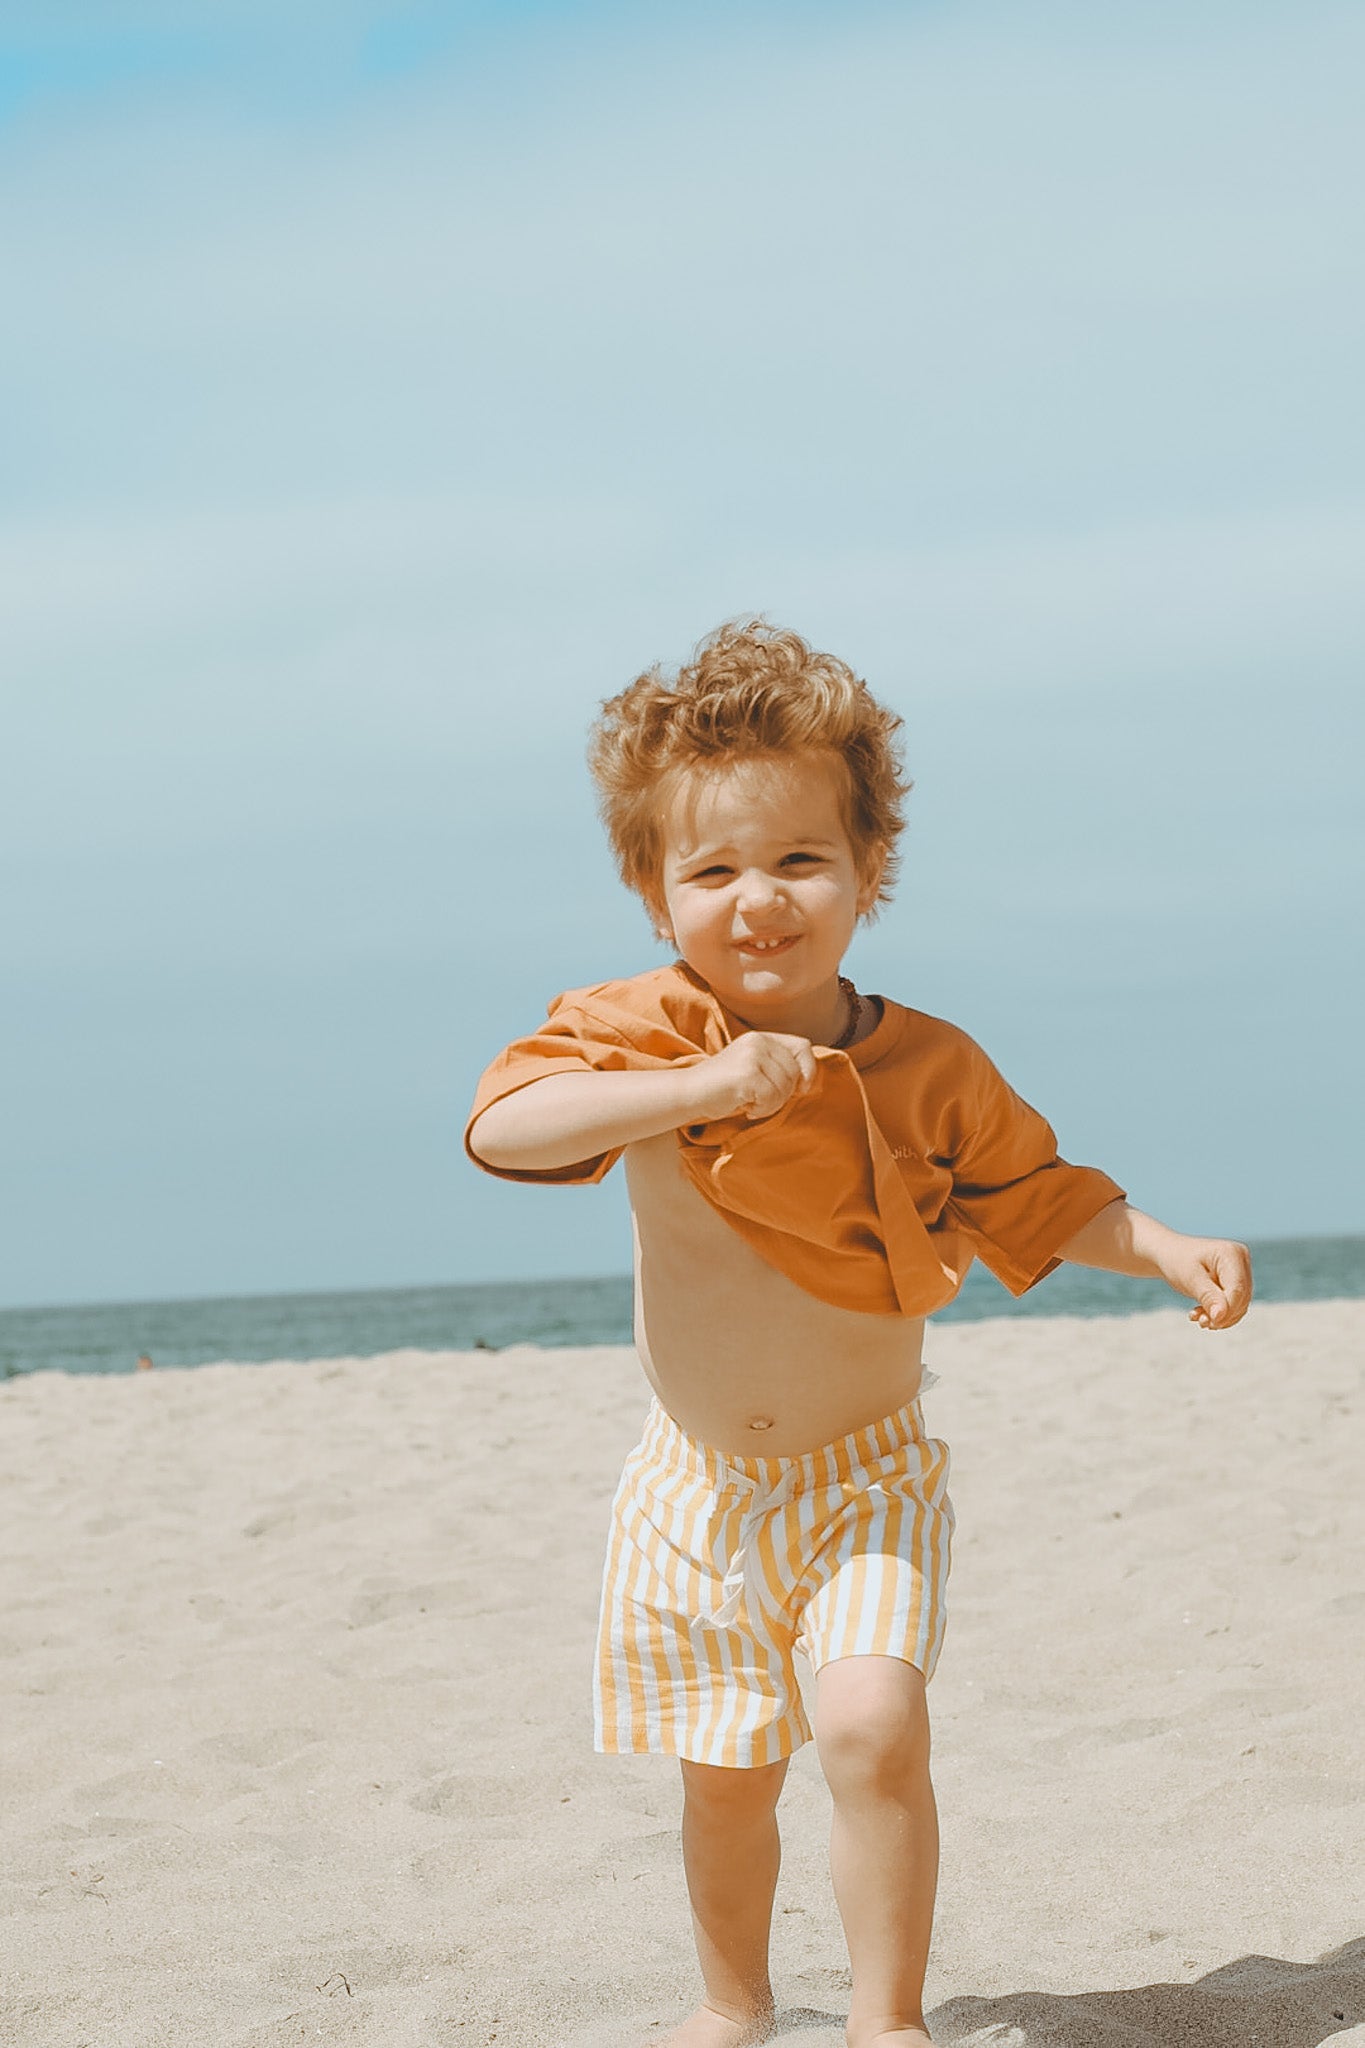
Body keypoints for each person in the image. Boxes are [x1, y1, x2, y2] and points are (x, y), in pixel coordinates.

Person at [464, 619, 1252, 2048]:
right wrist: (697, 1085)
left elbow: (1036, 1196)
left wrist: (1156, 1245)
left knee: (869, 1727)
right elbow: (505, 1129)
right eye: (708, 871)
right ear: (651, 892)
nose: (755, 901)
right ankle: (731, 2003)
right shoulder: (638, 1033)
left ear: (865, 873)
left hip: (862, 1480)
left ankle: (886, 2024)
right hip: (692, 1492)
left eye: (798, 861)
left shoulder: (928, 1063)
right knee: (721, 1776)